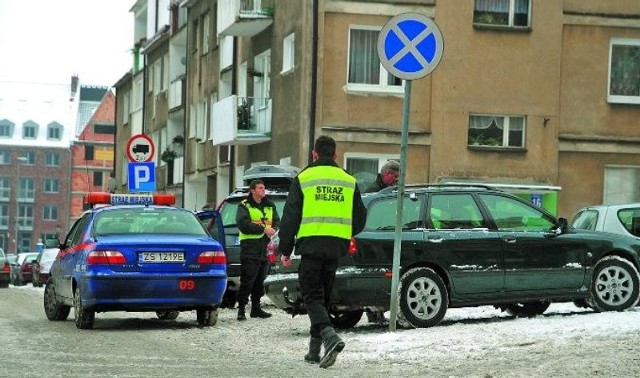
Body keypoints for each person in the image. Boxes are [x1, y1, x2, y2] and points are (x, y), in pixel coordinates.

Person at [278, 135, 367, 369]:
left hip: (311, 246)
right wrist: (343, 231)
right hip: (336, 247)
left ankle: (330, 337)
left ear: (314, 154)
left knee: (311, 296)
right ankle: (313, 351)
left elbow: (290, 217)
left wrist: (284, 249)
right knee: (323, 297)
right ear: (335, 156)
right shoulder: (348, 180)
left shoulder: (304, 178)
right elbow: (360, 219)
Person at [235, 179, 280, 321]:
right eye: (260, 188)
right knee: (248, 280)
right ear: (253, 190)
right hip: (250, 247)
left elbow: (277, 222)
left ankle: (256, 308)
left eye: (264, 187)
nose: (263, 190)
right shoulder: (244, 205)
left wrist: (275, 231)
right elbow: (243, 224)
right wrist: (263, 229)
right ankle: (241, 309)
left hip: (265, 247)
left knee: (260, 280)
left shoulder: (270, 205)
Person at [362, 159, 400, 324]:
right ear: (387, 174)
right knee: (376, 276)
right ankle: (373, 313)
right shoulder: (374, 193)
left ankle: (378, 313)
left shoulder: (386, 190)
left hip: (382, 235)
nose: (397, 180)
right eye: (395, 177)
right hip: (375, 237)